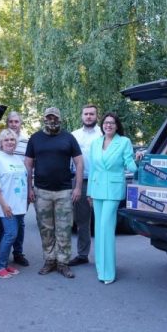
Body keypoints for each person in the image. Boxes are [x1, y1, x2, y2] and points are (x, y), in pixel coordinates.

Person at [25, 107, 83, 279]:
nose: (52, 120)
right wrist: (29, 188)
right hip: (41, 191)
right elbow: (28, 165)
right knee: (46, 229)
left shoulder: (68, 138)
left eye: (55, 117)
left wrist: (78, 187)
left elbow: (79, 163)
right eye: (49, 117)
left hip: (64, 191)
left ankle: (63, 263)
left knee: (64, 229)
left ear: (60, 119)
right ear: (44, 119)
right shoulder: (35, 138)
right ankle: (50, 260)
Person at [87, 112, 138, 285]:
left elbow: (129, 164)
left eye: (112, 123)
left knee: (106, 227)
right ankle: (101, 267)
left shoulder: (124, 142)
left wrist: (137, 162)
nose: (108, 125)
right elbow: (93, 169)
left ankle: (108, 272)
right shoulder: (95, 143)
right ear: (102, 125)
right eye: (106, 123)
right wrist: (89, 192)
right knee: (98, 230)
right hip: (97, 188)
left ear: (117, 126)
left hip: (114, 189)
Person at [0, 111, 30, 267]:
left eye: (12, 140)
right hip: (6, 203)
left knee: (15, 232)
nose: (10, 142)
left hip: (19, 203)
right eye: (6, 140)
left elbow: (26, 175)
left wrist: (28, 194)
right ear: (0, 142)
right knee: (10, 233)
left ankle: (8, 260)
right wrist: (4, 204)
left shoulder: (18, 157)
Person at [69, 104, 102, 266]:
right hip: (80, 181)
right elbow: (69, 159)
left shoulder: (103, 134)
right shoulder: (74, 135)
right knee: (82, 220)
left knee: (103, 219)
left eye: (92, 114)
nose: (89, 116)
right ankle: (83, 255)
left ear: (97, 116)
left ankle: (104, 255)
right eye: (86, 114)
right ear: (81, 116)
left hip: (100, 181)